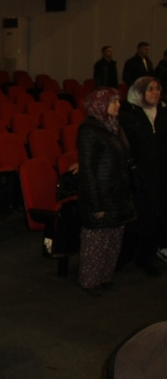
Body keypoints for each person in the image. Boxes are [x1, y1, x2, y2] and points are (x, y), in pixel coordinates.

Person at [77, 88, 137, 294]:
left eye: (118, 101)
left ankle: (105, 276)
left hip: (117, 192)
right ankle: (90, 281)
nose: (118, 105)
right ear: (101, 104)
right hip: (100, 194)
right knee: (96, 241)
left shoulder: (114, 127)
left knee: (113, 238)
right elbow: (87, 170)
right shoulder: (89, 130)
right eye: (114, 101)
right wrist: (96, 204)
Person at [118, 77, 166, 277]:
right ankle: (124, 256)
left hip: (160, 176)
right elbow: (119, 145)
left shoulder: (163, 112)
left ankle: (146, 259)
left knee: (156, 218)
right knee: (136, 218)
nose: (155, 93)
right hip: (136, 177)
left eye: (157, 89)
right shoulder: (128, 115)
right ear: (139, 92)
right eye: (150, 89)